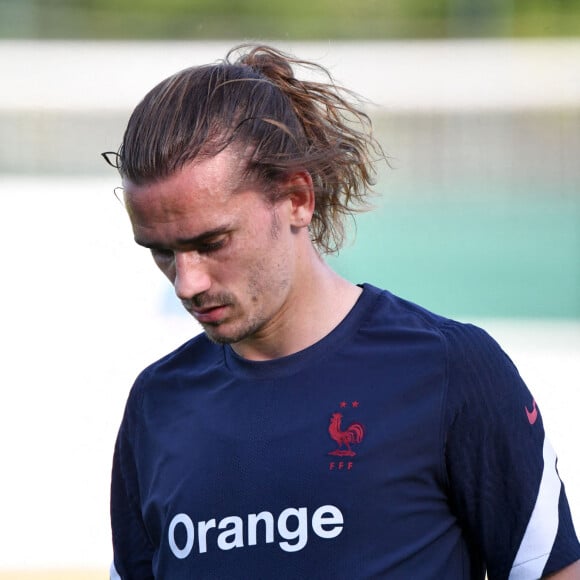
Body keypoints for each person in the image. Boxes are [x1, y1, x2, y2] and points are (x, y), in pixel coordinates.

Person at [103, 44, 580, 579]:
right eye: (161, 252)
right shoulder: (156, 404)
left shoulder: (451, 371)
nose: (186, 282)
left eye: (212, 242)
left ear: (297, 199)